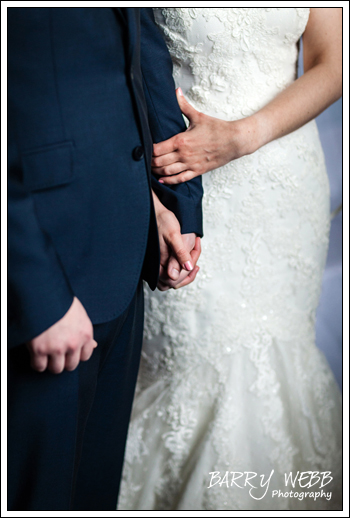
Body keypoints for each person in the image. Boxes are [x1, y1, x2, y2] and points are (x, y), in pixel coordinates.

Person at [118, 7, 342, 510]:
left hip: (281, 180)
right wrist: (151, 201)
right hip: (184, 183)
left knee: (276, 357)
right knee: (200, 364)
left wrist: (243, 136)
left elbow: (333, 63)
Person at [7, 7, 203, 511]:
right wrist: (35, 290)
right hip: (41, 273)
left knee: (93, 495)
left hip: (127, 246)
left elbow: (144, 49)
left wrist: (172, 203)